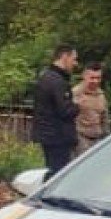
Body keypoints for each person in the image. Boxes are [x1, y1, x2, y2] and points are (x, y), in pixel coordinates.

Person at [31, 43, 79, 178]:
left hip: (48, 135)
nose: (75, 63)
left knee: (52, 170)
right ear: (64, 56)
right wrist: (78, 106)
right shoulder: (57, 82)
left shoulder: (45, 77)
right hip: (58, 136)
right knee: (59, 174)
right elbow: (65, 111)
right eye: (74, 59)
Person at [72, 62, 110, 157]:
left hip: (98, 139)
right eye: (92, 78)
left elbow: (104, 118)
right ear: (84, 76)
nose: (95, 81)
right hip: (81, 140)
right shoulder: (75, 94)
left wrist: (107, 137)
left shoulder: (101, 95)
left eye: (98, 78)